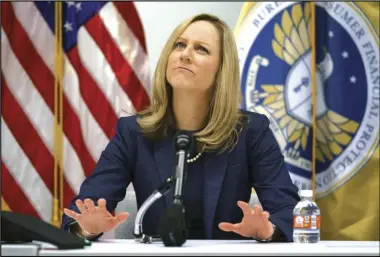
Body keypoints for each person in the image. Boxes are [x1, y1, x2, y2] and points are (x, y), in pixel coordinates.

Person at [62, 13, 300, 242]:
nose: (185, 55)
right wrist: (87, 227)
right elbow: (83, 209)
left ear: (221, 71)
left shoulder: (250, 132)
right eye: (179, 45)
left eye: (201, 49)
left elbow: (287, 212)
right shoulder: (133, 132)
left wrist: (267, 230)